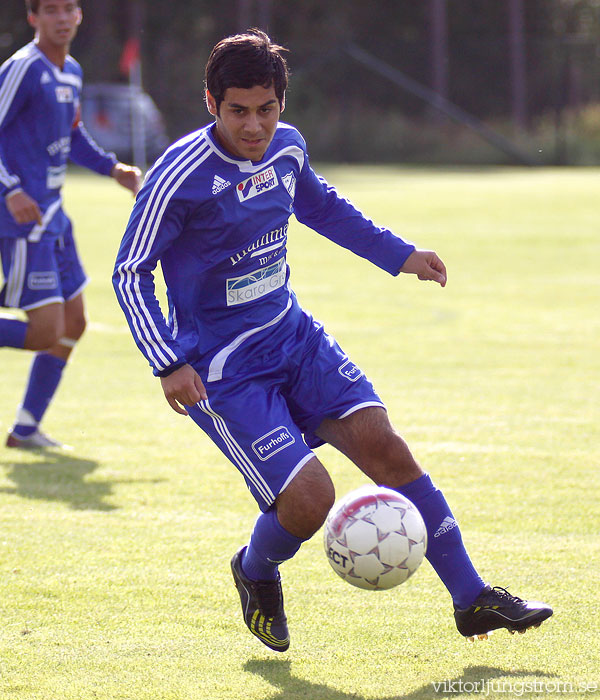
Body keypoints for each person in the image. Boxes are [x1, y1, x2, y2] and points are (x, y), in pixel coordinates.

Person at [113, 29, 552, 651]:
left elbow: (320, 205)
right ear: (211, 102)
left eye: (266, 110)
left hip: (294, 337)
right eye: (238, 110)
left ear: (281, 105)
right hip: (223, 369)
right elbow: (129, 271)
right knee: (311, 499)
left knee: (385, 446)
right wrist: (167, 361)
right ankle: (255, 568)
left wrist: (399, 254)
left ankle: (471, 597)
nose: (254, 126)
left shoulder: (286, 150)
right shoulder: (177, 177)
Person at [0, 0, 141, 449]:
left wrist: (112, 169)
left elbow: (72, 136)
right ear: (33, 18)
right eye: (51, 10)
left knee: (74, 322)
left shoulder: (72, 71)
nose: (61, 18)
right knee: (43, 330)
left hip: (54, 215)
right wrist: (9, 189)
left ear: (79, 16)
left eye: (69, 9)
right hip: (22, 218)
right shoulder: (23, 68)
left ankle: (25, 428)